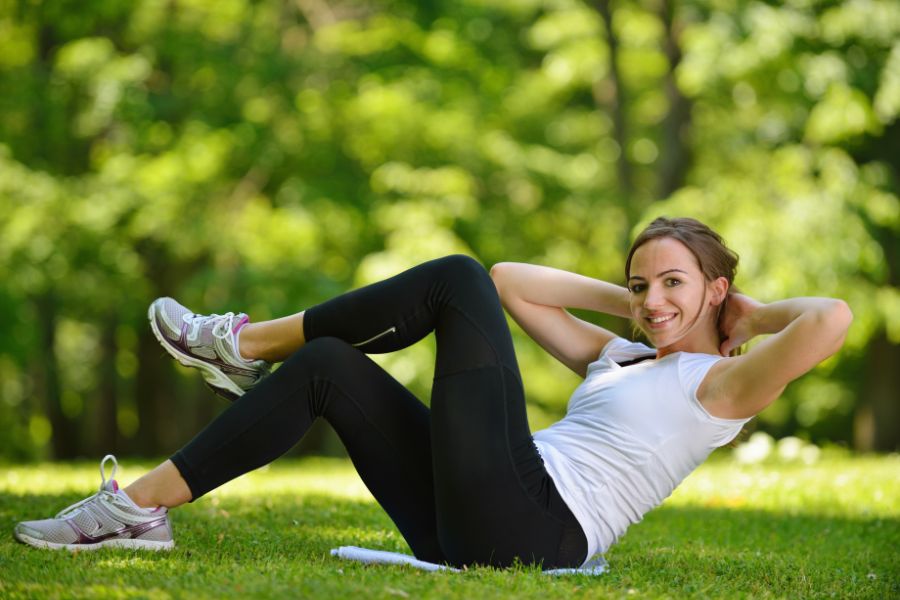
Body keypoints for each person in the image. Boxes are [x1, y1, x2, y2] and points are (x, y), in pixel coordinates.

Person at [13, 217, 852, 569]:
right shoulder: (623, 353)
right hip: (474, 514)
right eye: (643, 284)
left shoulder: (721, 385)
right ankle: (139, 509)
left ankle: (241, 342)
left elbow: (831, 319)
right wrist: (632, 296)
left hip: (537, 523)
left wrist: (753, 311)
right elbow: (514, 282)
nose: (652, 300)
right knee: (330, 366)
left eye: (674, 284)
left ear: (717, 289)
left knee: (447, 279)